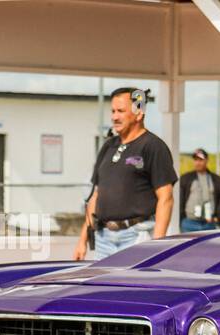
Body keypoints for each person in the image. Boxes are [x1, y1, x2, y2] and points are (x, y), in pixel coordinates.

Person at [74, 88, 178, 261]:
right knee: (102, 288)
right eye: (113, 111)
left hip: (137, 237)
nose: (114, 117)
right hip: (103, 239)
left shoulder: (153, 146)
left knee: (132, 288)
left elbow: (166, 198)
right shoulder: (109, 146)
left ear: (139, 113)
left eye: (121, 111)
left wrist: (157, 246)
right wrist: (82, 240)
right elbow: (96, 196)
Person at [178, 148, 220, 232]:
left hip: (209, 224)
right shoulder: (185, 178)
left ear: (207, 160)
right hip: (189, 223)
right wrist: (181, 218)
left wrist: (218, 217)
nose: (198, 163)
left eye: (201, 160)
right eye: (196, 160)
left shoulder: (217, 180)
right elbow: (179, 199)